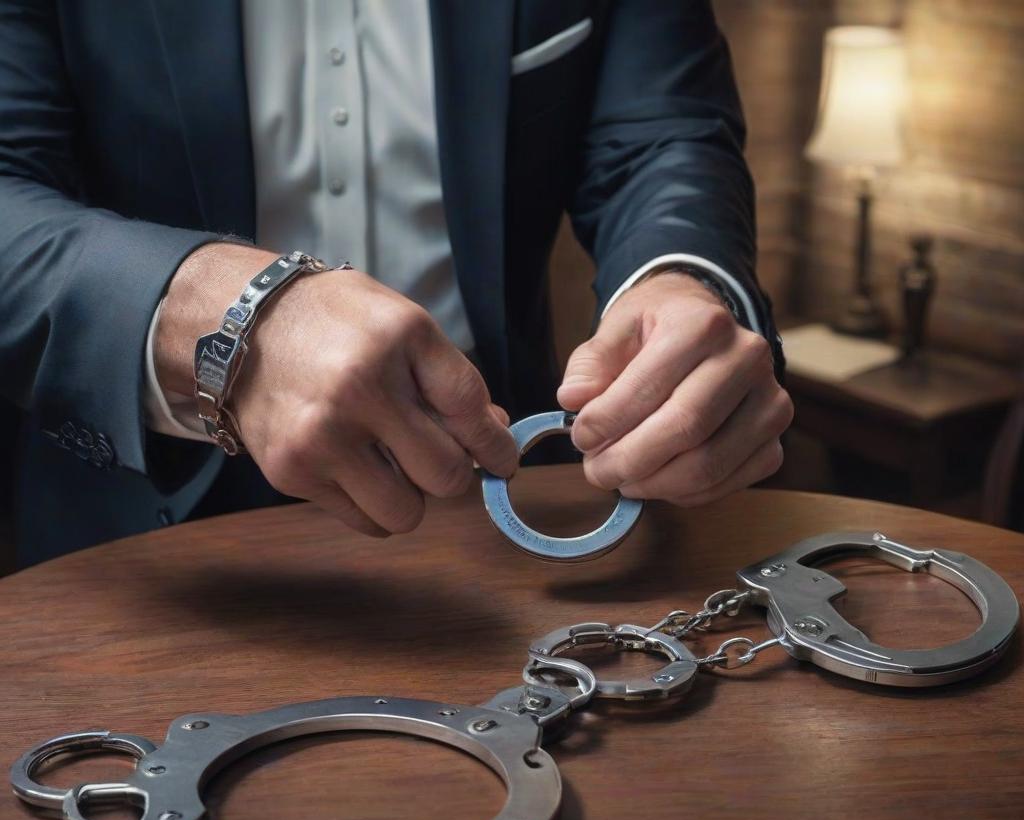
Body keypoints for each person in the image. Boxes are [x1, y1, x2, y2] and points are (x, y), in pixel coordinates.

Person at [0, 1, 793, 567]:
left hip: (495, 492)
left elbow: (663, 137)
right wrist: (219, 317)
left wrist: (685, 278)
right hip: (141, 523)